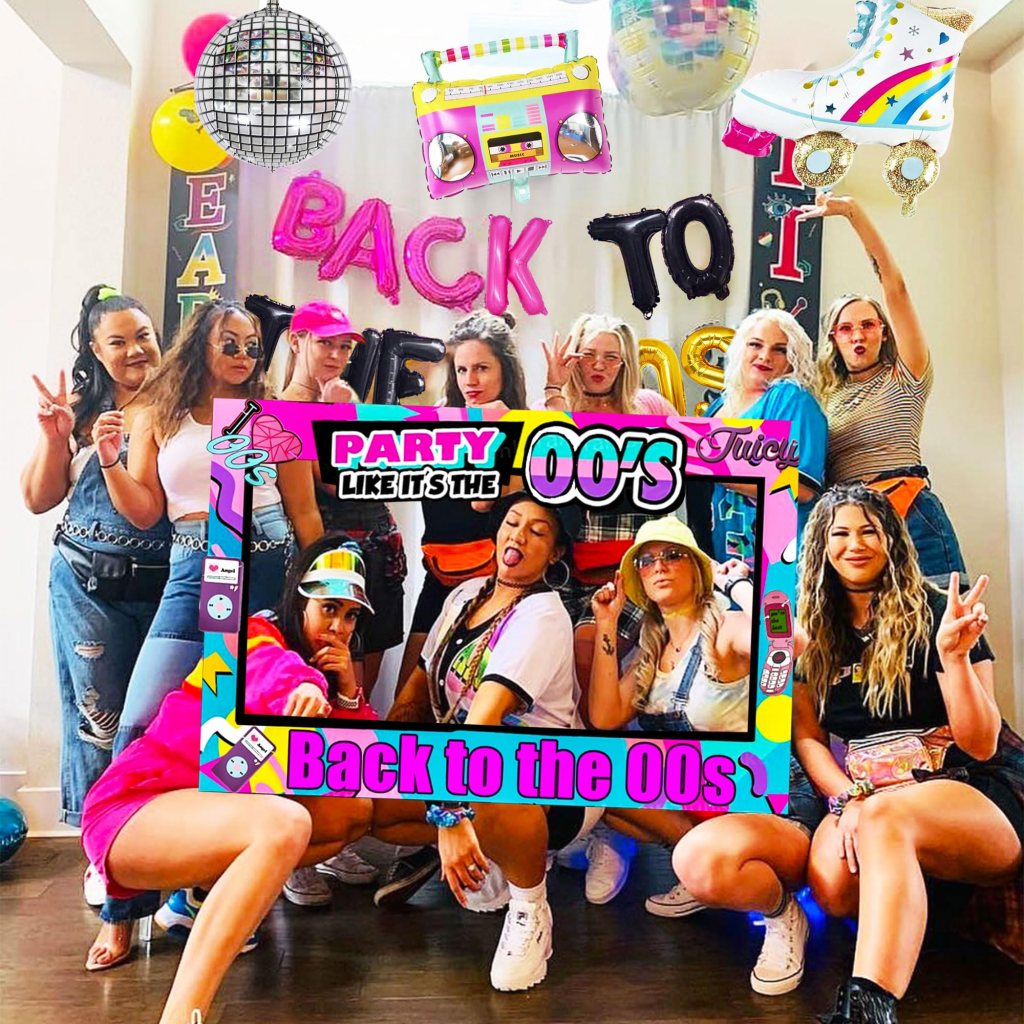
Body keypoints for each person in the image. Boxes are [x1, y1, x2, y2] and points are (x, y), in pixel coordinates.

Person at [85, 536, 377, 991]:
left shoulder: (325, 663)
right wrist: (309, 686)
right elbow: (271, 670)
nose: (338, 626)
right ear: (298, 600)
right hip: (136, 802)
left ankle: (198, 898)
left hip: (212, 804)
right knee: (286, 819)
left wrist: (347, 692)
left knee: (351, 811)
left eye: (351, 615)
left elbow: (358, 762)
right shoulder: (254, 633)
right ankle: (132, 921)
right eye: (329, 608)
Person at [793, 483, 1023, 1024]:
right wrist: (848, 798)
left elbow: (981, 742)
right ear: (821, 545)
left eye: (869, 531)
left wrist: (954, 659)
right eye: (840, 533)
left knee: (884, 817)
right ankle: (925, 911)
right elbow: (808, 738)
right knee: (832, 883)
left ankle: (868, 1007)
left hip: (966, 783)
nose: (855, 544)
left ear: (892, 539)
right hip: (864, 790)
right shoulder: (810, 632)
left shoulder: (941, 611)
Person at [374, 492, 600, 992]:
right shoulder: (465, 595)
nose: (518, 535)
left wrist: (450, 815)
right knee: (369, 805)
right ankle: (480, 853)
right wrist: (386, 761)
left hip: (547, 789)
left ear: (556, 554)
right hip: (462, 770)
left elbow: (483, 722)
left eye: (538, 531)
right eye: (512, 522)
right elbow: (417, 688)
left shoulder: (543, 615)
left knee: (492, 780)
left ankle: (530, 906)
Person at [104, 299, 322, 755]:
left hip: (263, 560)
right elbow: (146, 512)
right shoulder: (159, 416)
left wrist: (318, 587)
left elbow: (304, 513)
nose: (243, 355)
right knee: (141, 717)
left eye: (252, 347)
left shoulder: (275, 415)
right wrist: (109, 463)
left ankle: (240, 801)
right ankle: (137, 798)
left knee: (252, 717)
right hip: (191, 566)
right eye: (230, 344)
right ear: (199, 346)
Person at [20, 285, 168, 914]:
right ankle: (102, 851)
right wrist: (56, 436)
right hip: (85, 585)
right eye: (118, 341)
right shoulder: (81, 409)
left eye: (144, 336)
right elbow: (36, 498)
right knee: (97, 721)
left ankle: (159, 848)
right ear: (95, 350)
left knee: (158, 723)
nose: (135, 350)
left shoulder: (181, 402)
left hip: (167, 584)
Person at [540, 313, 680, 900]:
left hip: (635, 578)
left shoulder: (648, 408)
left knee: (608, 685)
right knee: (567, 691)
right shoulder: (559, 409)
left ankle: (607, 828)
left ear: (625, 362)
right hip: (572, 578)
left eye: (610, 356)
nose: (598, 366)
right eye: (588, 355)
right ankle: (579, 813)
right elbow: (539, 473)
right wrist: (553, 389)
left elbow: (693, 467)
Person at [586, 516, 760, 915]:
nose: (659, 566)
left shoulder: (727, 626)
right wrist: (607, 623)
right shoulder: (652, 649)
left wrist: (737, 585)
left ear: (698, 569)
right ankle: (696, 864)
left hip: (743, 796)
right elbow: (604, 717)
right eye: (646, 561)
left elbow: (785, 641)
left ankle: (715, 864)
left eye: (673, 555)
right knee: (593, 769)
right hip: (693, 800)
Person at [797, 193, 967, 581]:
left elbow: (896, 288)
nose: (857, 335)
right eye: (845, 328)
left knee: (941, 615)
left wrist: (853, 213)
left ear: (883, 331)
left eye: (868, 325)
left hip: (908, 514)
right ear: (833, 339)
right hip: (849, 527)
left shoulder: (906, 375)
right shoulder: (824, 398)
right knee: (860, 621)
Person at [280, 300, 406, 700]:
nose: (336, 355)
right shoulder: (284, 410)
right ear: (296, 341)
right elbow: (334, 485)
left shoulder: (343, 399)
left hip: (383, 552)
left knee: (361, 690)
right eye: (326, 343)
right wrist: (340, 413)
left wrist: (348, 411)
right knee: (335, 682)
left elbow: (384, 476)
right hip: (334, 556)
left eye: (345, 347)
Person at [395, 310, 527, 689]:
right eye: (462, 369)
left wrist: (499, 431)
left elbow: (483, 502)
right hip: (440, 574)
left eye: (482, 368)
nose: (470, 380)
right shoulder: (432, 423)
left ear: (504, 370)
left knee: (473, 695)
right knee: (408, 696)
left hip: (498, 581)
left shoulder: (525, 425)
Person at [704, 309, 826, 565]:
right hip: (725, 550)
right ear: (740, 348)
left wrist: (712, 467)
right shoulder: (720, 405)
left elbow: (802, 487)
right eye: (755, 345)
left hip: (779, 554)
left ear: (793, 359)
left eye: (779, 350)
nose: (765, 356)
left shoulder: (790, 398)